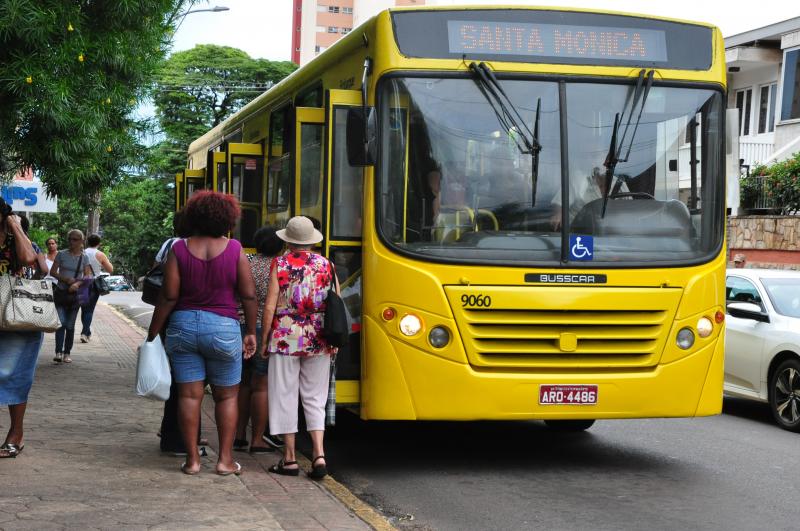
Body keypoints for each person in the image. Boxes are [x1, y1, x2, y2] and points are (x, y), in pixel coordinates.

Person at [147, 191, 258, 476]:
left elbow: (169, 297)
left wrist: (153, 332)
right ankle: (224, 461)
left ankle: (192, 461)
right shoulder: (235, 249)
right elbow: (248, 295)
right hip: (223, 327)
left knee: (189, 396)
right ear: (227, 217)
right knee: (227, 397)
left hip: (183, 327)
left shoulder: (180, 249)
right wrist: (250, 332)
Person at [259, 216, 339, 480]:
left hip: (285, 336)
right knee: (315, 398)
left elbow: (270, 305)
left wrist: (264, 339)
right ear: (312, 241)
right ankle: (319, 455)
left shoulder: (280, 263)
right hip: (319, 337)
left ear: (288, 240)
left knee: (284, 395)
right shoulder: (327, 264)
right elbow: (335, 302)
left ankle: (290, 459)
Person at [234, 226, 284, 454]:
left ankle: (239, 435)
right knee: (260, 385)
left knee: (242, 383)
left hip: (239, 326)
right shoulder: (280, 266)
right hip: (264, 328)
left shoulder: (246, 261)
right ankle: (257, 439)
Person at [0, 198, 43, 458]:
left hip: (17, 316)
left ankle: (16, 433)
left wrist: (16, 227)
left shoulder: (18, 241)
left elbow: (29, 260)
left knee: (16, 375)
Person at [50, 229, 92, 364]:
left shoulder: (84, 257)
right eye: (70, 239)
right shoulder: (61, 254)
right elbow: (53, 272)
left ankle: (67, 352)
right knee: (61, 323)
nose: (71, 242)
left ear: (81, 241)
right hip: (61, 293)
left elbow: (88, 276)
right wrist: (65, 279)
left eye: (75, 239)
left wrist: (78, 283)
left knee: (70, 325)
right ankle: (58, 351)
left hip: (75, 296)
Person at [79, 233, 114, 343]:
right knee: (90, 309)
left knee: (84, 309)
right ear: (99, 243)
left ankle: (87, 332)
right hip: (93, 284)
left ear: (87, 242)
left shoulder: (81, 253)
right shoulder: (100, 255)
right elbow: (110, 270)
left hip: (81, 282)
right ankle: (84, 333)